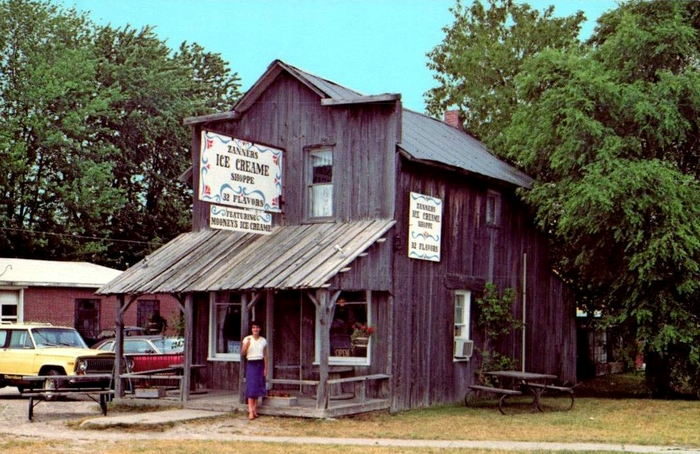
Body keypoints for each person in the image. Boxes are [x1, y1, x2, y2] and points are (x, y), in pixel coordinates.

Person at [241, 321, 267, 420]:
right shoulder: (247, 339)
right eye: (253, 327)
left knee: (257, 388)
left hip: (260, 363)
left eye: (257, 327)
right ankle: (250, 411)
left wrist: (265, 368)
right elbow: (243, 353)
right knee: (251, 388)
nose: (255, 329)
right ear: (251, 329)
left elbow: (265, 355)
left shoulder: (263, 340)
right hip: (251, 363)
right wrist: (246, 345)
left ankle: (255, 410)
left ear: (260, 329)